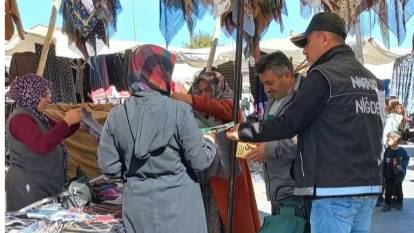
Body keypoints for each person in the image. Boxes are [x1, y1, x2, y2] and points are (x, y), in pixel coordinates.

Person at [227, 12, 384, 233]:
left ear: (324, 38)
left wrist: (244, 131)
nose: (304, 50)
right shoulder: (371, 80)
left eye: (308, 42)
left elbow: (290, 123)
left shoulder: (323, 75)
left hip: (333, 190)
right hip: (368, 187)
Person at [97, 45, 216, 233]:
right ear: (162, 73)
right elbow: (199, 161)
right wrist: (210, 142)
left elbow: (108, 167)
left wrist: (135, 171)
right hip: (181, 212)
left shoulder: (116, 116)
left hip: (138, 214)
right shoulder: (179, 111)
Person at [173, 70, 261, 233]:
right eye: (200, 91)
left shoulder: (229, 105)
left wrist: (192, 99)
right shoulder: (193, 113)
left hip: (229, 179)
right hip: (203, 180)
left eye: (208, 90)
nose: (204, 95)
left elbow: (228, 110)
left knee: (232, 222)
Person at [6, 73, 81, 211]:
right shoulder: (20, 119)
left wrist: (76, 120)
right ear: (31, 94)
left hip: (42, 187)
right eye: (44, 95)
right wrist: (67, 121)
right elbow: (41, 144)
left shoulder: (37, 116)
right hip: (28, 191)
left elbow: (59, 133)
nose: (49, 99)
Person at [244, 51, 302, 212]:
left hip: (295, 192)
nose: (266, 89)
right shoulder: (273, 101)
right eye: (263, 84)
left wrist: (269, 150)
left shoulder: (303, 98)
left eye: (270, 83)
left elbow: (302, 138)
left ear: (288, 75)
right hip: (277, 190)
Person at [382, 131, 409, 212]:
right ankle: (387, 204)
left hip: (398, 175)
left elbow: (406, 159)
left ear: (396, 140)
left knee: (398, 190)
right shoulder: (387, 150)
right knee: (388, 190)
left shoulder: (402, 151)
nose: (387, 140)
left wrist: (402, 166)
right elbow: (383, 161)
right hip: (388, 174)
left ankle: (399, 203)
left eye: (389, 139)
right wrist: (383, 172)